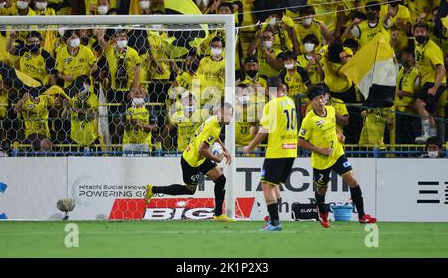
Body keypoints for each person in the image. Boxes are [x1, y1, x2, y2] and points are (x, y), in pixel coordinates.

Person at [298, 85, 377, 228]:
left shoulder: (331, 110)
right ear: (311, 102)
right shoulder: (308, 120)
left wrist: (338, 134)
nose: (320, 101)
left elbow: (332, 125)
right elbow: (300, 141)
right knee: (322, 189)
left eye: (322, 97)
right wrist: (319, 150)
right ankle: (322, 212)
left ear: (326, 97)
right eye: (316, 99)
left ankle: (362, 215)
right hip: (321, 160)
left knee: (352, 181)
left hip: (337, 153)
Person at [145, 102, 234, 222]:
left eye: (231, 114)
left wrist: (224, 150)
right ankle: (153, 189)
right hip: (190, 161)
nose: (229, 117)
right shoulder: (213, 126)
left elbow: (214, 136)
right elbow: (202, 149)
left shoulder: (214, 121)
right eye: (226, 114)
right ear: (220, 113)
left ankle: (218, 214)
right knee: (190, 190)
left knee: (220, 179)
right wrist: (216, 158)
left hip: (199, 158)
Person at [243, 77, 298, 231]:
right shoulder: (290, 102)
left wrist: (251, 146)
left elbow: (265, 130)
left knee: (266, 185)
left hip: (277, 151)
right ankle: (274, 219)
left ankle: (274, 222)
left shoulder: (272, 104)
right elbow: (275, 124)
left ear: (269, 89)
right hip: (291, 149)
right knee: (273, 185)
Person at [413, 22, 446, 143]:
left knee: (419, 104)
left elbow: (442, 70)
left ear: (427, 33)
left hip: (435, 82)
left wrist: (434, 88)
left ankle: (426, 134)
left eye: (422, 31)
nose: (419, 34)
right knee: (429, 112)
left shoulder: (432, 49)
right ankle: (432, 140)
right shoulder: (418, 45)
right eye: (417, 32)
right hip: (427, 82)